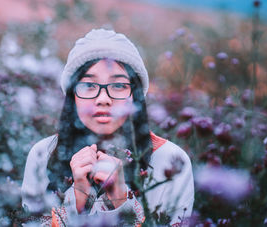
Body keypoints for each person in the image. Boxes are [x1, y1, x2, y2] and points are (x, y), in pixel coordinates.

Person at [21, 29, 194, 226]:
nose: (103, 99)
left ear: (134, 96)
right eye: (89, 85)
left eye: (118, 86)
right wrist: (75, 203)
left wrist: (122, 202)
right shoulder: (43, 154)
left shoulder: (171, 160)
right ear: (72, 96)